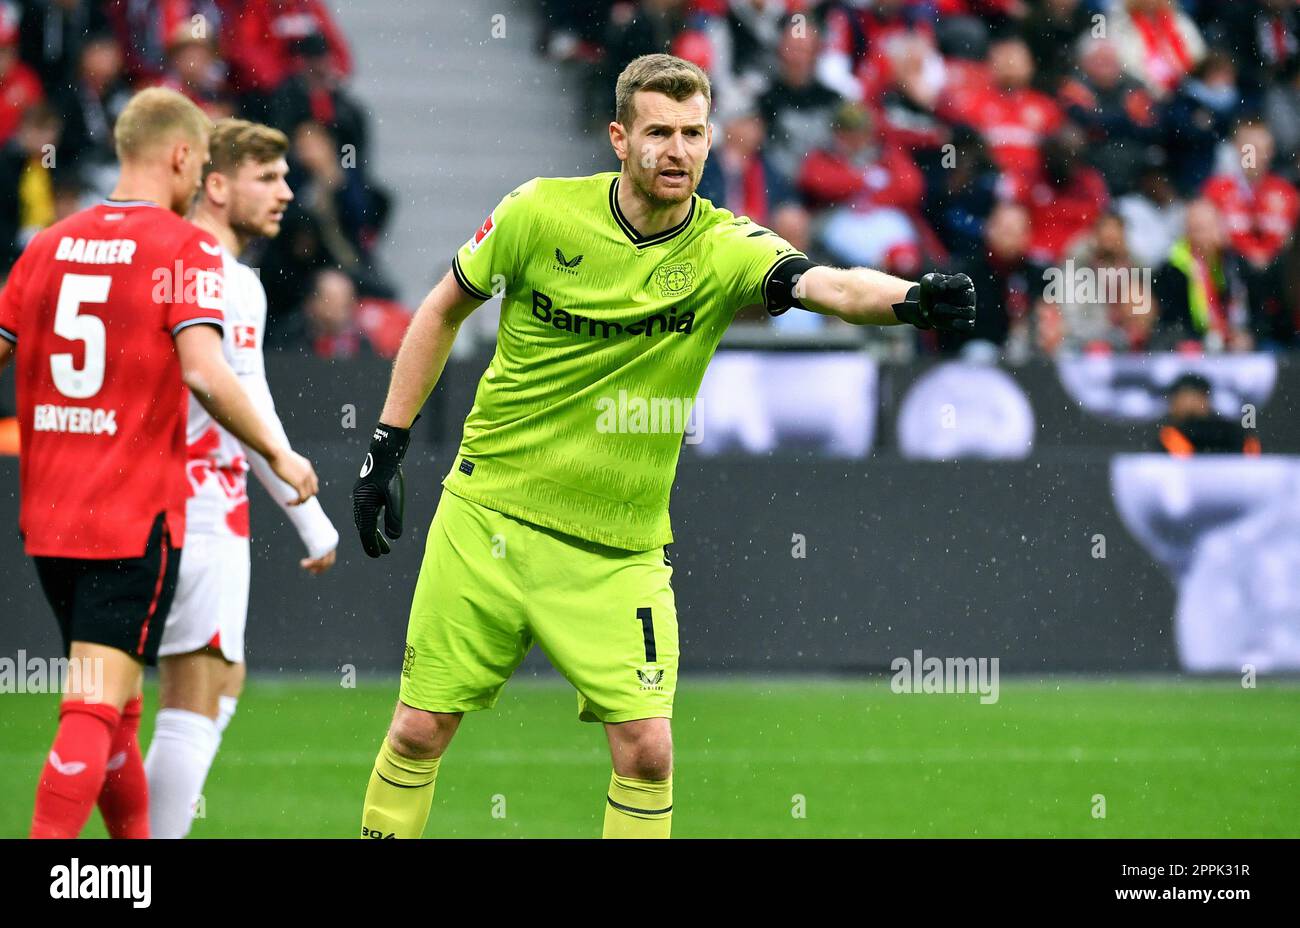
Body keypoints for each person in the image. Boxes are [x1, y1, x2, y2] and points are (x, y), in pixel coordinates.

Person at [349, 53, 975, 840]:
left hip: (618, 547)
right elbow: (442, 310)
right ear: (619, 137)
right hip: (488, 520)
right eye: (657, 132)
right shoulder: (538, 213)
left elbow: (830, 286)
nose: (676, 150)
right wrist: (386, 445)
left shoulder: (722, 247)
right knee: (417, 730)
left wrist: (911, 299)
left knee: (647, 751)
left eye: (692, 133)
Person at [0, 87, 317, 839]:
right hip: (131, 517)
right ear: (181, 157)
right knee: (93, 704)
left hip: (48, 520)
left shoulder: (46, 243)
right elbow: (207, 374)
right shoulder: (183, 249)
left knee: (117, 710)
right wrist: (279, 450)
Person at [144, 118, 339, 839]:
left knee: (209, 681)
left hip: (154, 496)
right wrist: (311, 517)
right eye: (268, 177)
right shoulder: (217, 275)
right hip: (199, 502)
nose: (287, 192)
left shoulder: (165, 258)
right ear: (216, 184)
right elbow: (242, 402)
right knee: (194, 692)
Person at [1155, 372, 1261, 455]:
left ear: (1205, 399)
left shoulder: (1231, 432)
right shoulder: (1169, 435)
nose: (1175, 404)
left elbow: (1251, 460)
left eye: (1193, 397)